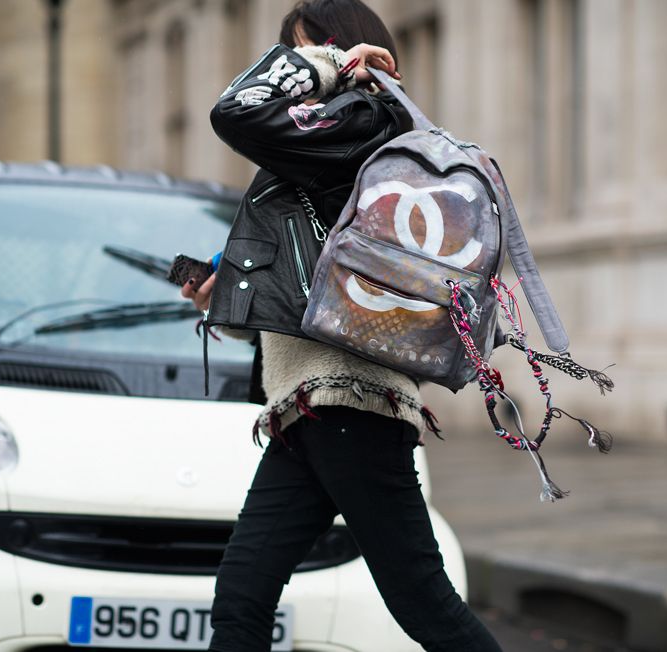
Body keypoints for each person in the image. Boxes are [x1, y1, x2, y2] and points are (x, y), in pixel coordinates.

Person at [181, 1, 503, 650]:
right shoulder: (332, 137)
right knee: (242, 594)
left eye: (302, 53)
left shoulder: (363, 119)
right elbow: (316, 291)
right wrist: (228, 299)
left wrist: (326, 63)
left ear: (343, 51)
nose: (293, 70)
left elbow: (234, 110)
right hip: (312, 404)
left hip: (349, 401)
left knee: (423, 602)